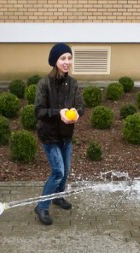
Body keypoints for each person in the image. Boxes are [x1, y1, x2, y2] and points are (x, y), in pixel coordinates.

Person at [34, 42, 84, 226]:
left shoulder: (73, 84)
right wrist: (59, 112)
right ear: (55, 61)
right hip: (50, 136)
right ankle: (42, 206)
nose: (67, 62)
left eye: (69, 58)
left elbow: (80, 105)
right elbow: (39, 111)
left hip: (66, 135)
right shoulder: (44, 84)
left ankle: (58, 197)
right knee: (57, 171)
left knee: (65, 171)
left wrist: (77, 113)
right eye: (63, 58)